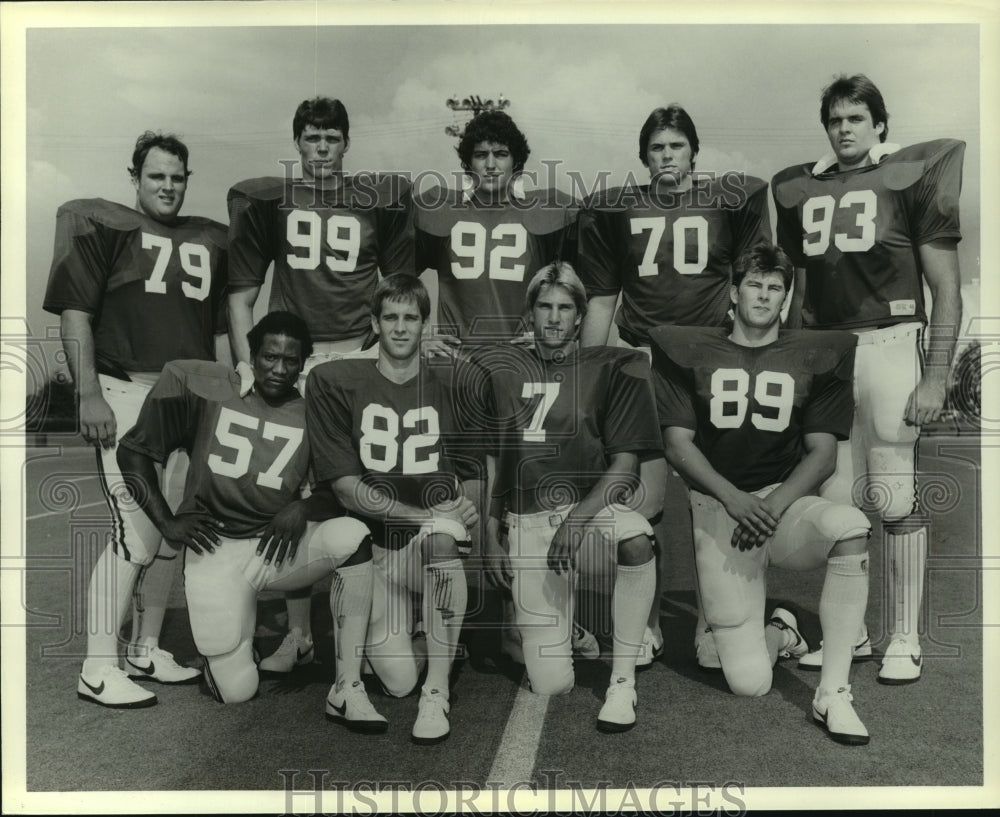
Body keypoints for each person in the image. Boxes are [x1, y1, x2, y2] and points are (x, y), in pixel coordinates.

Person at [771, 74, 964, 683]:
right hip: (828, 353)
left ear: (880, 124)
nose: (845, 128)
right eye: (835, 119)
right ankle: (849, 633)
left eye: (856, 118)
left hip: (889, 342)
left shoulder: (909, 175)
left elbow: (947, 290)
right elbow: (799, 292)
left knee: (895, 496)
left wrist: (936, 377)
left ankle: (904, 635)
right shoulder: (802, 188)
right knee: (837, 497)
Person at [114, 312, 383, 730]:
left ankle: (346, 687)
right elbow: (132, 452)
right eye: (269, 357)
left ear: (303, 363)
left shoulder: (314, 410)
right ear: (251, 357)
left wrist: (303, 508)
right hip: (214, 547)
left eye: (290, 360)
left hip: (274, 550)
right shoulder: (210, 390)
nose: (278, 369)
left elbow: (334, 491)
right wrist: (166, 522)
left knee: (352, 535)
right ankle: (231, 641)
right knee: (239, 691)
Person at [651, 241, 872, 745]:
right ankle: (781, 631)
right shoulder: (686, 347)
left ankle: (833, 693)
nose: (764, 295)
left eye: (776, 288)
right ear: (733, 292)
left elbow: (822, 454)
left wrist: (770, 505)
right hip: (719, 505)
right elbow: (676, 443)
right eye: (755, 284)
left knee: (851, 528)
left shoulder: (818, 353)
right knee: (748, 683)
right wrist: (735, 499)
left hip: (781, 504)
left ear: (785, 298)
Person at [576, 104, 772, 668]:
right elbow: (603, 297)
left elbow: (754, 281)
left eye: (676, 146)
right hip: (645, 358)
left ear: (694, 152)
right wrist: (592, 367)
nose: (667, 157)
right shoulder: (619, 209)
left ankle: (721, 617)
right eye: (657, 148)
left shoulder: (729, 200)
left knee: (716, 491)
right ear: (644, 156)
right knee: (650, 495)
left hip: (713, 358)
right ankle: (652, 621)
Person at [227, 97, 415, 673]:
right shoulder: (272, 202)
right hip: (297, 359)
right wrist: (244, 361)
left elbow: (398, 284)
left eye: (332, 139)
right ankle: (298, 632)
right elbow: (241, 292)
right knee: (294, 489)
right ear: (298, 144)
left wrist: (394, 348)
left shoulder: (375, 201)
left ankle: (385, 610)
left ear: (346, 143)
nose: (322, 149)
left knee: (372, 477)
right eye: (312, 139)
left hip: (359, 355)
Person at [44, 131, 227, 708]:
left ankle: (145, 649)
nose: (168, 186)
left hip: (188, 399)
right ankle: (98, 666)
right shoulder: (105, 228)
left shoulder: (209, 239)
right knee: (138, 531)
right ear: (136, 177)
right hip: (125, 392)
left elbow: (218, 333)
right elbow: (76, 315)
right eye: (156, 176)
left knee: (174, 532)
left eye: (177, 177)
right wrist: (87, 394)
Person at [479, 262, 660, 733]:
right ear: (530, 313)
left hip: (588, 514)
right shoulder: (502, 371)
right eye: (545, 307)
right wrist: (490, 534)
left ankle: (622, 680)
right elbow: (495, 463)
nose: (555, 318)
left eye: (565, 308)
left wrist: (578, 520)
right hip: (528, 520)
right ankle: (570, 627)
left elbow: (625, 467)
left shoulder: (609, 367)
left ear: (581, 316)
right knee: (551, 683)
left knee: (637, 538)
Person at [304, 274, 482, 744]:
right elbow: (345, 489)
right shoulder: (335, 379)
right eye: (391, 317)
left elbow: (475, 465)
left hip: (426, 547)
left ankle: (438, 692)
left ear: (426, 325)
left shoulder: (449, 381)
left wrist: (469, 510)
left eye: (411, 318)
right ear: (374, 323)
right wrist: (426, 516)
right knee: (399, 682)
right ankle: (415, 642)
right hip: (377, 551)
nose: (401, 328)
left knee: (445, 534)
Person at [415, 109, 577, 344]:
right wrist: (418, 336)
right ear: (468, 162)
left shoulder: (548, 211)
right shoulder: (439, 209)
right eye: (481, 155)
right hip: (456, 360)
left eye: (501, 154)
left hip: (524, 359)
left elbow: (588, 289)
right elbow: (398, 282)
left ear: (516, 161)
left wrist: (557, 337)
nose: (490, 164)